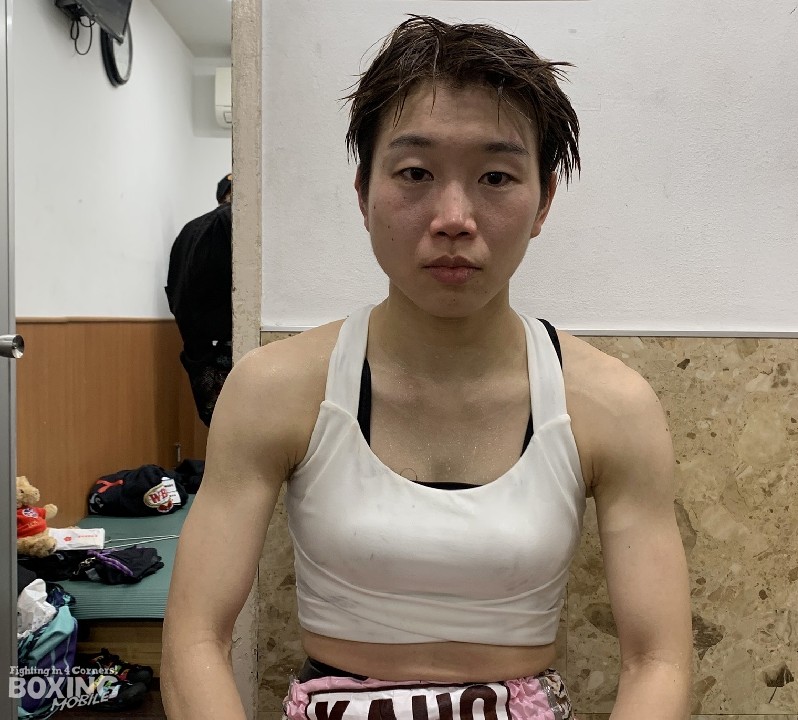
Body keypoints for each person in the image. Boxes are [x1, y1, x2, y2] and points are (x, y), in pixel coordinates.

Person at [161, 16, 692, 720]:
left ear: (543, 201)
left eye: (496, 177)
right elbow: (195, 637)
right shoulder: (276, 389)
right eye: (415, 173)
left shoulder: (608, 403)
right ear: (363, 191)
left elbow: (658, 659)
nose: (453, 217)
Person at [165, 174, 234, 426]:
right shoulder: (234, 225)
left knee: (218, 426)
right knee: (239, 427)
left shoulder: (189, 229)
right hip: (228, 346)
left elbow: (176, 290)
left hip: (197, 350)